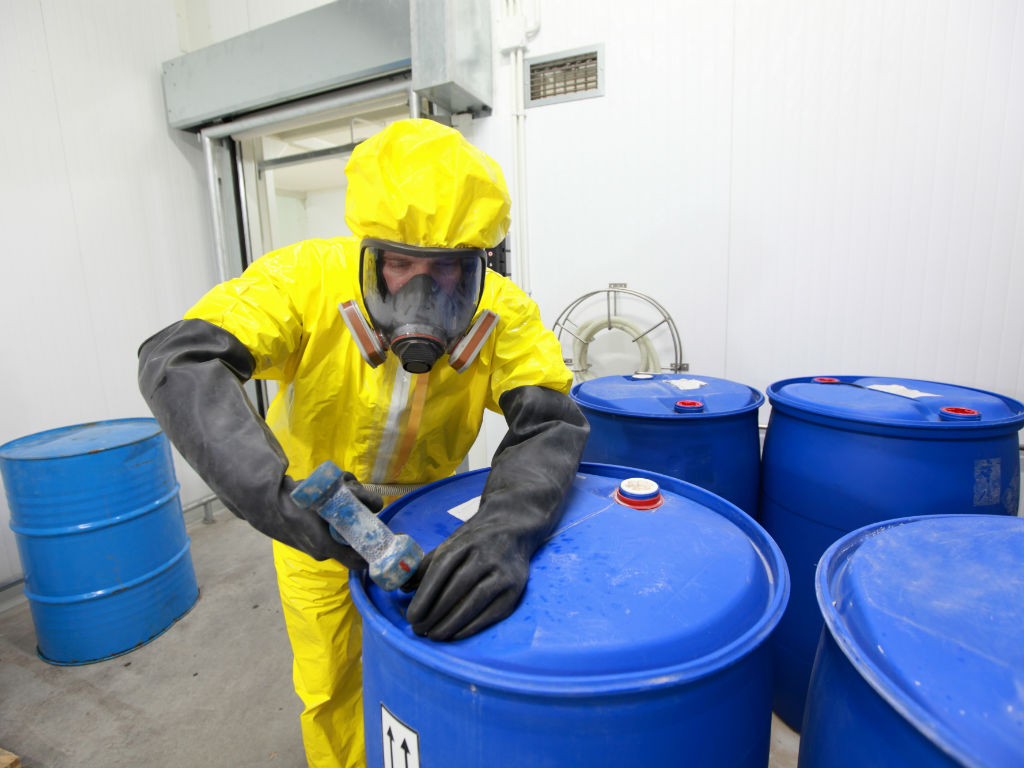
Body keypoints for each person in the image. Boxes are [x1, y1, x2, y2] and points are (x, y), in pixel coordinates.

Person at [137, 118, 589, 768]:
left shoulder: (503, 314)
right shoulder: (307, 281)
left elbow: (549, 421)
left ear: (479, 264)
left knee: (439, 669)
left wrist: (504, 530)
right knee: (333, 684)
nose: (420, 290)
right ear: (367, 250)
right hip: (317, 523)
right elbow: (178, 361)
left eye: (445, 271)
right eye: (399, 263)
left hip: (439, 528)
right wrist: (279, 497)